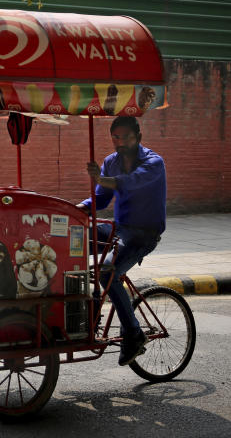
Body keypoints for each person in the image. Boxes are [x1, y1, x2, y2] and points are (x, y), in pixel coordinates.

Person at [76, 115, 166, 365]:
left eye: (126, 137)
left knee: (108, 273)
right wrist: (77, 210)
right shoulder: (110, 162)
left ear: (138, 137)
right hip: (119, 229)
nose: (120, 142)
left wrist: (100, 179)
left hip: (143, 234)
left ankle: (134, 334)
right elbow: (101, 199)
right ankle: (87, 310)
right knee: (73, 241)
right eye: (116, 137)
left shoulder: (153, 163)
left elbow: (131, 183)